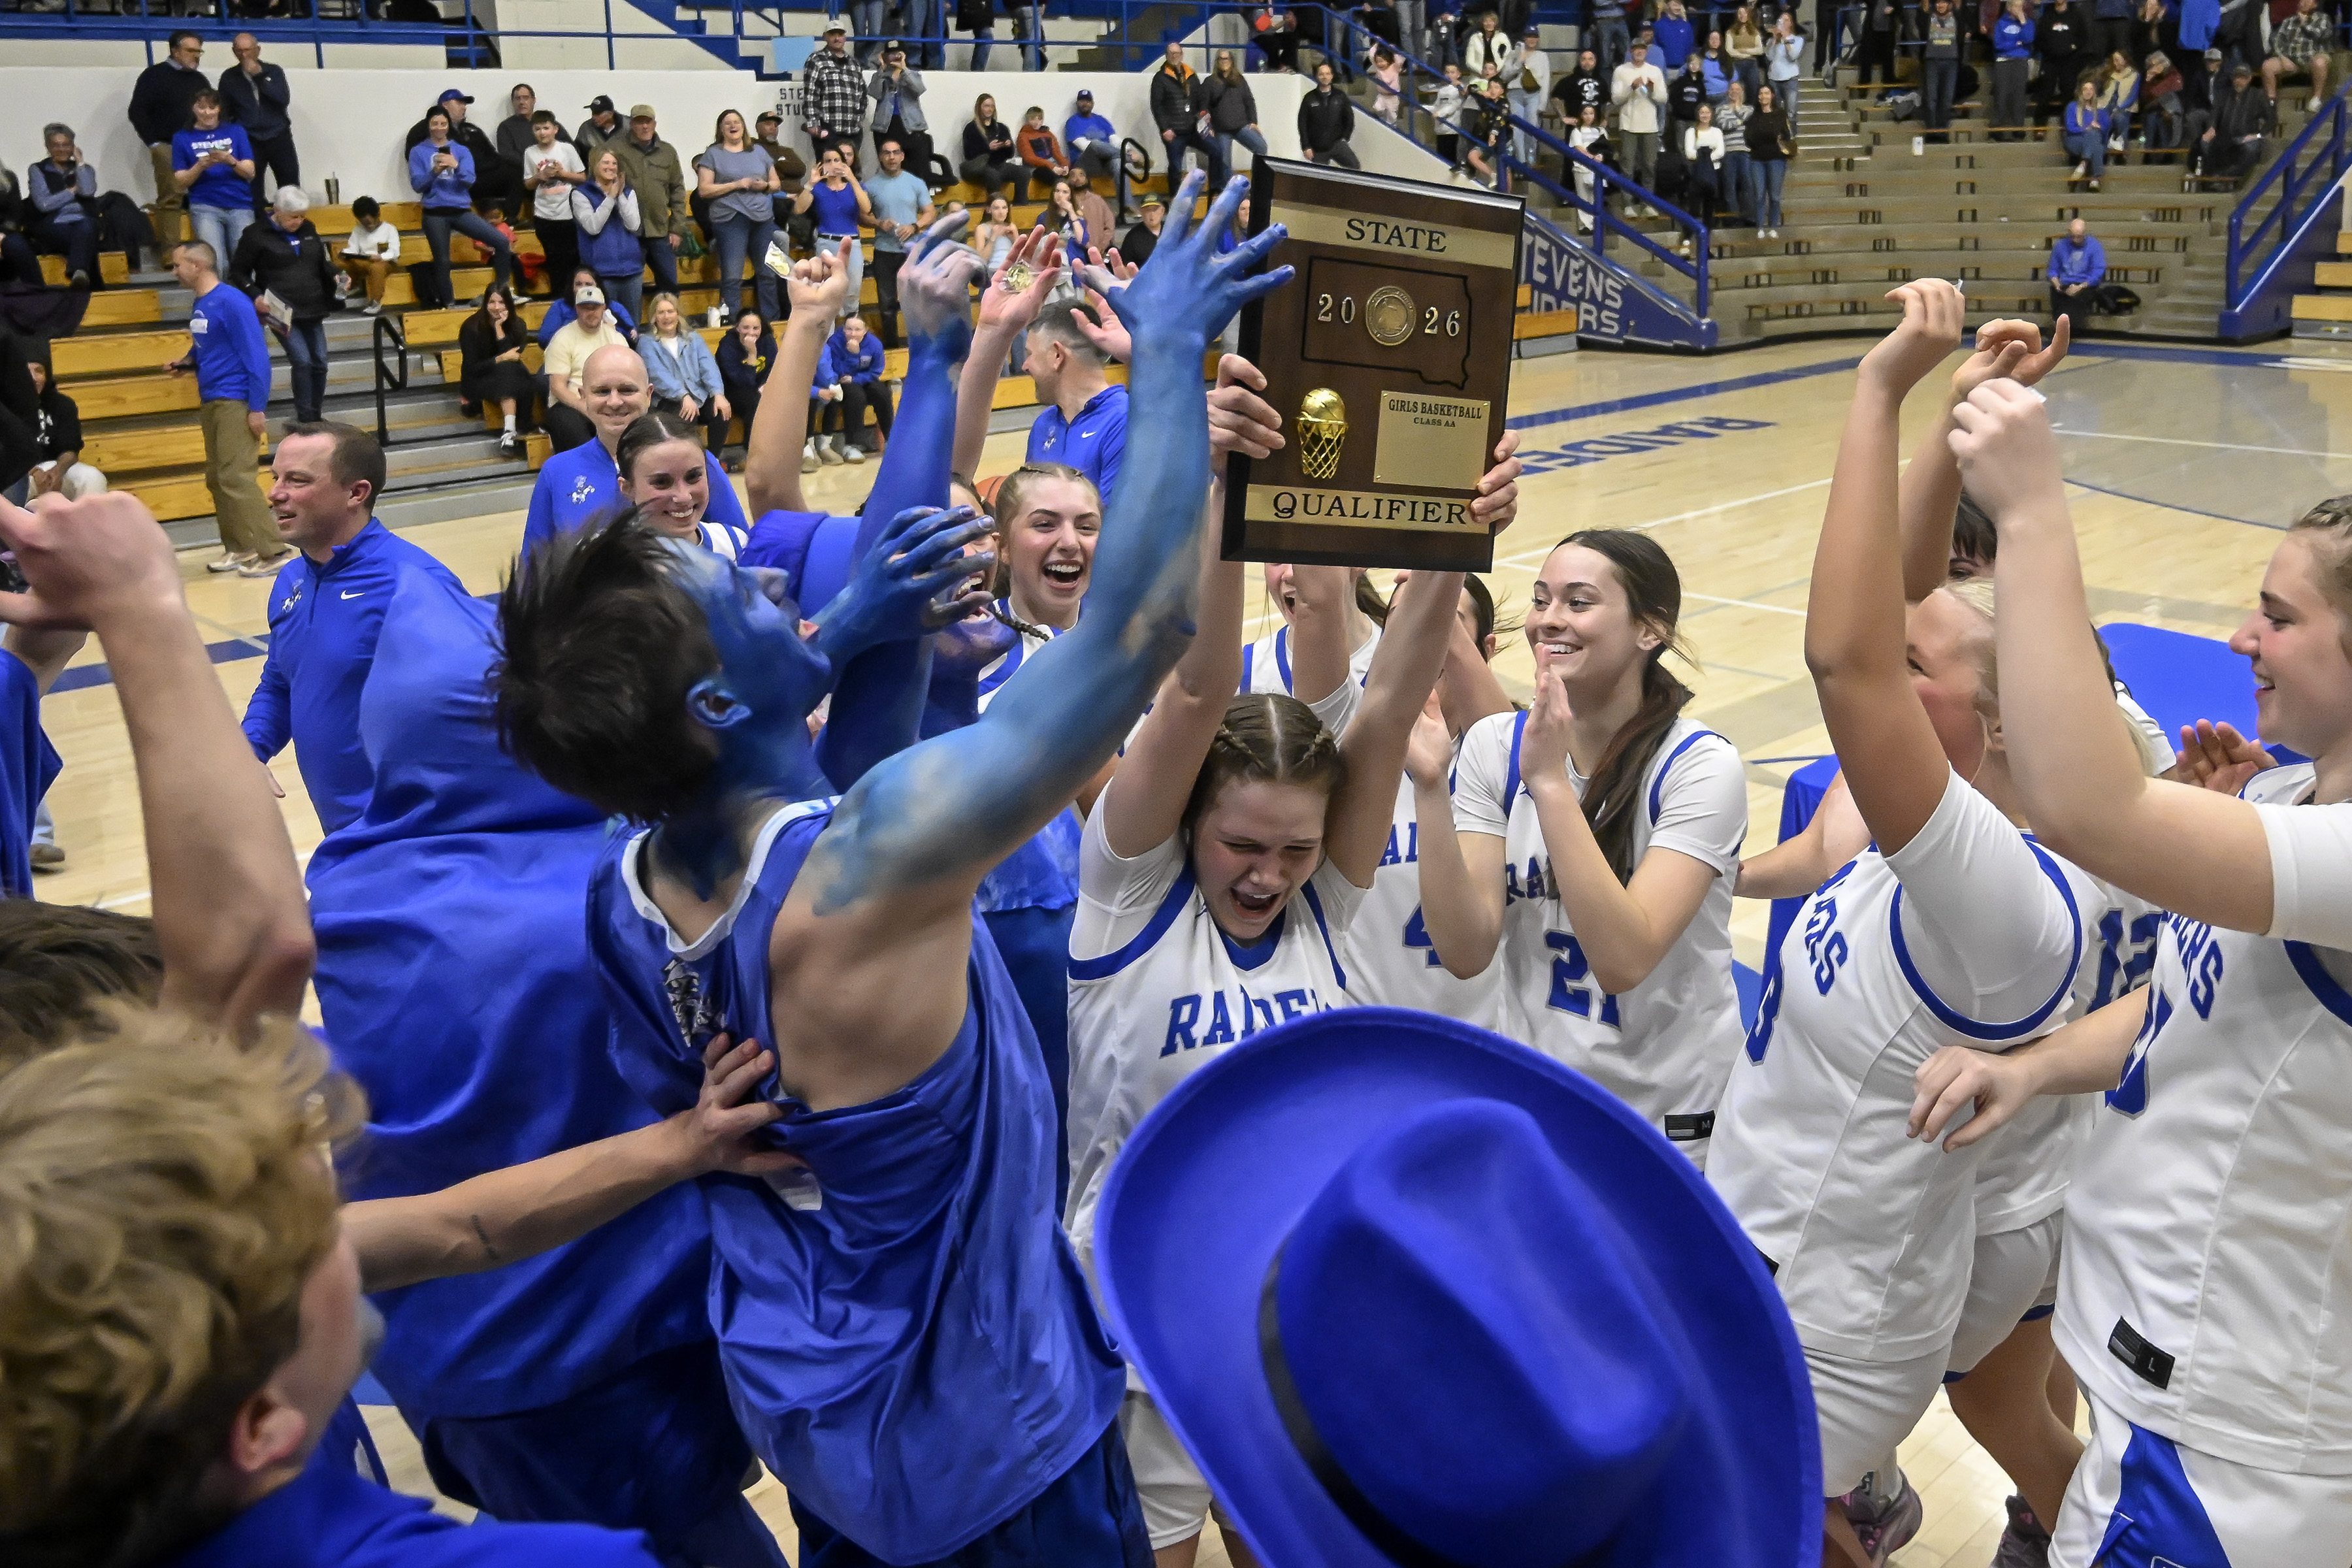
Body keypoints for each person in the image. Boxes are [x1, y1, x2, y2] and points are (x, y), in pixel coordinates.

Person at [491, 185, 1284, 1567]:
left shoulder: (625, 888)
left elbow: (867, 650)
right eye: (751, 604)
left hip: (815, 1396)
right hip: (984, 1440)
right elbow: (1137, 633)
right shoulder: (870, 863)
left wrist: (926, 358)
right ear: (723, 712)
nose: (791, 595)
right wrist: (1165, 357)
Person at [1916, 338, 2352, 1568]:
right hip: (2167, 1397)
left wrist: (2035, 510)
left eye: (2277, 615)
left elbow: (2081, 802)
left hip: (2234, 1452)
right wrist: (2038, 1067)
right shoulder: (2284, 800)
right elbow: (2189, 1000)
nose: (2242, 636)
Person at [1707, 282, 2101, 1568]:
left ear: (1978, 724)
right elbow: (1910, 606)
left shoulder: (1996, 896)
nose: (1899, 635)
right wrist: (1960, 408)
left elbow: (1852, 653)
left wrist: (1879, 390)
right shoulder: (1963, 788)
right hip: (1772, 1250)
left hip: (1839, 1319)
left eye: (1920, 668)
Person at [1064, 519, 1463, 1567]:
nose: (1266, 873)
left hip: (1291, 1331)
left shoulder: (1324, 904)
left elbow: (1387, 702)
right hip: (1140, 1337)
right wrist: (1227, 500)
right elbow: (1196, 695)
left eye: (1293, 848)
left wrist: (1458, 533)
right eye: (1241, 843)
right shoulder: (1132, 898)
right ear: (1189, 822)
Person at [1414, 527, 1746, 1164]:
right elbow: (1464, 950)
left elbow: (1623, 960)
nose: (1548, 621)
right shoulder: (1492, 746)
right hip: (1539, 1102)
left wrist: (1549, 782)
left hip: (1666, 1117)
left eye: (1578, 601)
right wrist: (1430, 786)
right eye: (1542, 600)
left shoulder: (1698, 768)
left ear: (1651, 630)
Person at [240, 421, 463, 836]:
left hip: (418, 833)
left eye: (297, 480)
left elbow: (476, 713)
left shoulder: (414, 584)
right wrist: (247, 751)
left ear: (356, 493)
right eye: (275, 478)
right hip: (343, 832)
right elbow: (282, 683)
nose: (275, 493)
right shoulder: (291, 580)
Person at [525, 340, 749, 549]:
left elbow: (738, 548)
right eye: (602, 391)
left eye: (627, 390)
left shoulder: (697, 463)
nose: (614, 402)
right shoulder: (557, 471)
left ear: (649, 394)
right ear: (583, 397)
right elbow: (533, 569)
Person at [163, 241, 280, 576]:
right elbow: (209, 346)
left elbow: (257, 357)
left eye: (177, 265)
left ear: (197, 266)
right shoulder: (203, 302)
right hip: (212, 397)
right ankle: (240, 548)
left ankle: (274, 550)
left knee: (236, 478)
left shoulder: (231, 301)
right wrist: (186, 363)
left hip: (235, 400)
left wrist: (256, 407)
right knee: (217, 478)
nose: (174, 272)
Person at [229, 186, 336, 428]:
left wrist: (338, 274)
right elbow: (238, 271)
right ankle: (305, 416)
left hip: (312, 305)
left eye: (302, 216)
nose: (299, 221)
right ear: (277, 210)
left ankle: (315, 412)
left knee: (320, 362)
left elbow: (321, 263)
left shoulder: (308, 229)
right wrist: (255, 295)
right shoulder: (255, 234)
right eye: (293, 217)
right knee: (302, 360)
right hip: (280, 310)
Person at [411, 105, 514, 311]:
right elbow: (417, 185)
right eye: (435, 124)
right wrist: (435, 171)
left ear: (449, 126)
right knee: (442, 260)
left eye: (443, 124)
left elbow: (469, 181)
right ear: (428, 125)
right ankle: (448, 304)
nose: (439, 128)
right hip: (434, 212)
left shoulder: (461, 150)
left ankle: (503, 291)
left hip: (460, 210)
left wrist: (455, 166)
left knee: (501, 241)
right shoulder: (418, 151)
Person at [1022, 297, 1128, 495]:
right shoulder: (1043, 424)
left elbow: (1117, 520)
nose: (1025, 366)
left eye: (1030, 354)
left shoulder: (1123, 420)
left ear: (1057, 355)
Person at [613, 408, 751, 557]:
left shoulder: (735, 544)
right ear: (627, 488)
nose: (684, 497)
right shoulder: (603, 563)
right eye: (661, 482)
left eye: (693, 477)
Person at [694, 110, 780, 327]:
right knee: (733, 276)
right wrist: (735, 185)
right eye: (727, 123)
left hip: (762, 218)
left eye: (737, 122)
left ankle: (770, 320)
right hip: (730, 219)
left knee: (768, 272)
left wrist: (766, 187)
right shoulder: (713, 154)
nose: (733, 126)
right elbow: (704, 190)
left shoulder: (759, 151)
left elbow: (776, 184)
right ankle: (732, 322)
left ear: (744, 126)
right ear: (721, 129)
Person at [175, 90, 257, 282]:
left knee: (245, 261)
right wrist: (200, 166)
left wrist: (230, 161)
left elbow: (250, 172)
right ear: (193, 109)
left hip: (240, 204)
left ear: (219, 109)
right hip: (205, 206)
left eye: (212, 107)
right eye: (201, 107)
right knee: (215, 262)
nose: (207, 112)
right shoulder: (182, 137)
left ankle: (247, 305)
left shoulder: (236, 131)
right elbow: (180, 181)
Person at [540, 287, 633, 452]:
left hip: (609, 400)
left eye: (595, 307)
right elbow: (557, 386)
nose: (591, 312)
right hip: (570, 403)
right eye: (585, 307)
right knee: (577, 435)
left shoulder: (617, 338)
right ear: (577, 309)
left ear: (604, 308)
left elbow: (628, 377)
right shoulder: (562, 338)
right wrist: (583, 406)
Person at [864, 134, 936, 348]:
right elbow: (862, 216)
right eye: (887, 153)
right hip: (884, 251)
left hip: (912, 251)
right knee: (886, 306)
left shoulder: (916, 182)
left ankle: (921, 347)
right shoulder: (871, 186)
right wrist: (878, 223)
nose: (892, 157)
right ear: (880, 157)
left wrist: (914, 226)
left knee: (917, 302)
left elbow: (930, 213)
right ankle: (892, 350)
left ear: (902, 156)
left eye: (896, 153)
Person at [129, 29, 210, 212]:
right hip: (168, 146)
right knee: (171, 200)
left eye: (199, 51)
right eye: (191, 51)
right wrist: (155, 144)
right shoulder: (154, 75)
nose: (197, 56)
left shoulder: (199, 80)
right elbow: (137, 111)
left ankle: (202, 241)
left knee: (205, 196)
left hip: (197, 144)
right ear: (175, 51)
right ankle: (171, 243)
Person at [613, 106, 688, 302]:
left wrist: (677, 228)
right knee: (630, 287)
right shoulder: (616, 150)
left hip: (660, 230)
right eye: (639, 122)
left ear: (655, 124)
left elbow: (678, 191)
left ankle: (674, 327)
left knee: (670, 286)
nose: (644, 126)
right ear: (631, 124)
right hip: (628, 232)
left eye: (648, 121)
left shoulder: (668, 152)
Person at [642, 290, 732, 452]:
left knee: (720, 412)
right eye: (661, 313)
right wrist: (683, 395)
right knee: (686, 415)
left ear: (678, 314)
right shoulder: (647, 343)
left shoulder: (693, 338)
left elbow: (708, 366)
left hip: (698, 394)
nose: (666, 317)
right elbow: (657, 375)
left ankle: (713, 460)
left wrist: (718, 394)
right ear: (654, 317)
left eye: (670, 311)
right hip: (667, 400)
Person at [219, 33, 296, 215]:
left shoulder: (274, 71)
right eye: (239, 51)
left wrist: (259, 76)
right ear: (234, 52)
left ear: (258, 50)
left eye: (248, 50)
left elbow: (282, 99)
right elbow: (225, 112)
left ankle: (292, 223)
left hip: (279, 135)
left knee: (290, 184)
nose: (244, 55)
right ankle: (260, 229)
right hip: (249, 138)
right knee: (253, 188)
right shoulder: (229, 77)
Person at [792, 148, 870, 325]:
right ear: (821, 165)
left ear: (844, 163)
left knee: (853, 289)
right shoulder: (818, 188)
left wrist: (852, 179)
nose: (833, 165)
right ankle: (829, 339)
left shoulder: (854, 186)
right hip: (826, 241)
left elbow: (866, 208)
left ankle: (851, 331)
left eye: (836, 160)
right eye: (828, 160)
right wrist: (810, 183)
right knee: (827, 291)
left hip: (852, 242)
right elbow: (799, 209)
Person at [459, 283, 536, 457]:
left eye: (502, 302)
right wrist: (499, 359)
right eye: (492, 302)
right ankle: (513, 430)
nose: (497, 307)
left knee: (514, 372)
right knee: (510, 371)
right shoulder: (471, 327)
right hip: (477, 379)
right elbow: (472, 368)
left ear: (509, 304)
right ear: (485, 304)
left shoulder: (518, 325)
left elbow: (513, 358)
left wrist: (500, 330)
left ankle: (509, 432)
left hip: (506, 379)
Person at [24, 125, 102, 289]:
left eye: (66, 145)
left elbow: (88, 191)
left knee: (87, 226)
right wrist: (72, 191)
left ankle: (79, 273)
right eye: (56, 145)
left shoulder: (84, 169)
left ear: (73, 146)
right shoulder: (38, 170)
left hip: (83, 219)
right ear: (48, 147)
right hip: (54, 222)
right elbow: (44, 204)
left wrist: (80, 162)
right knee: (86, 238)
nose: (61, 149)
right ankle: (85, 277)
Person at [523, 110, 589, 301]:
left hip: (568, 212)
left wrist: (562, 175)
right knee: (553, 259)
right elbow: (527, 183)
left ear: (555, 129)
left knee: (572, 258)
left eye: (546, 128)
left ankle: (577, 296)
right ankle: (558, 299)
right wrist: (539, 177)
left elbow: (583, 178)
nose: (542, 132)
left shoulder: (566, 149)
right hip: (544, 214)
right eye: (538, 129)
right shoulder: (530, 152)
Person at [573, 149, 645, 319]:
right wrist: (610, 198)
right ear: (595, 165)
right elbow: (592, 227)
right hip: (601, 273)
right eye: (606, 162)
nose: (611, 167)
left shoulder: (628, 193)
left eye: (614, 163)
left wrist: (619, 195)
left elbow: (634, 225)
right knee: (606, 325)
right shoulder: (581, 194)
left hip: (632, 270)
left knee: (632, 325)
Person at [22, 356, 101, 500]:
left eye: (39, 371)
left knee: (92, 477)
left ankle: (89, 523)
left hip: (52, 468)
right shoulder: (5, 406)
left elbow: (70, 450)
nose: (33, 378)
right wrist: (33, 472)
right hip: (17, 473)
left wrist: (59, 470)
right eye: (26, 372)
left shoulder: (63, 404)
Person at [819, 312, 889, 461]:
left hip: (862, 379)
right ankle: (851, 445)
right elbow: (837, 370)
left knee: (882, 392)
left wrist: (857, 378)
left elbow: (877, 370)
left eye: (857, 330)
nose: (852, 334)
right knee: (856, 396)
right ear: (843, 329)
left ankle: (890, 439)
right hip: (843, 382)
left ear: (865, 330)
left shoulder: (874, 344)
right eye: (849, 329)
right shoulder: (835, 342)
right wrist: (852, 356)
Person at [868, 42, 936, 186]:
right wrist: (881, 69)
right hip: (886, 128)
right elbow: (874, 92)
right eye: (891, 54)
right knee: (889, 169)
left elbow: (919, 89)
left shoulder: (912, 74)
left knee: (917, 170)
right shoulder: (880, 75)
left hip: (911, 127)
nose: (894, 57)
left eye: (898, 53)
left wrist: (904, 68)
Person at [2193, 60, 2275, 178]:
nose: (2239, 81)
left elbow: (2272, 119)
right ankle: (2212, 174)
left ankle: (2228, 176)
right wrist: (2211, 128)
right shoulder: (2223, 95)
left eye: (2243, 78)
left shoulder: (2258, 95)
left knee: (2250, 148)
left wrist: (2258, 135)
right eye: (2237, 78)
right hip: (2225, 137)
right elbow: (2214, 114)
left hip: (2247, 137)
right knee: (2205, 141)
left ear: (2249, 79)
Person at [715, 308, 775, 466]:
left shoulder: (768, 340)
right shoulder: (727, 346)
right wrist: (752, 354)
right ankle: (752, 454)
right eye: (746, 328)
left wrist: (766, 385)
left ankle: (799, 450)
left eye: (756, 328)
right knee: (753, 401)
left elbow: (774, 368)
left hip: (759, 388)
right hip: (733, 392)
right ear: (737, 328)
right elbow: (743, 382)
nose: (751, 332)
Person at [1152, 42, 1217, 186]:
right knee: (1175, 166)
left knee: (1217, 150)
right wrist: (1165, 128)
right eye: (1171, 53)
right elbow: (1157, 106)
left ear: (1182, 54)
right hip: (1174, 132)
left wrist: (1206, 125)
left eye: (1177, 53)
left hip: (1194, 129)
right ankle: (1175, 198)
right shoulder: (1160, 78)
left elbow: (1201, 101)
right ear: (1167, 56)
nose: (1175, 56)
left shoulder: (1192, 76)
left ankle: (1215, 190)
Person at [804, 24, 870, 165]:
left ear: (845, 37)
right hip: (829, 129)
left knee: (852, 173)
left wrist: (859, 118)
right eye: (833, 34)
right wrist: (813, 123)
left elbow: (863, 93)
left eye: (840, 34)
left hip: (853, 130)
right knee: (827, 172)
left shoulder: (854, 63)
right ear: (825, 37)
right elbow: (810, 94)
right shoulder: (816, 60)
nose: (837, 38)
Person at [1614, 40, 1669, 201]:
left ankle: (1648, 202)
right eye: (1636, 49)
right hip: (1628, 125)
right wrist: (1631, 87)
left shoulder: (1655, 71)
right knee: (1627, 167)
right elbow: (1616, 99)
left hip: (1650, 126)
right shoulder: (1621, 71)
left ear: (1646, 52)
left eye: (1642, 49)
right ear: (1631, 51)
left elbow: (1663, 99)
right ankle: (1627, 203)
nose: (1639, 52)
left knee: (1650, 166)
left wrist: (1652, 90)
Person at [540, 265, 639, 347]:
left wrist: (609, 327)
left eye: (589, 284)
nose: (584, 289)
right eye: (579, 284)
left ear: (598, 287)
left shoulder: (614, 307)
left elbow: (631, 336)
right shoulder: (560, 306)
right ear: (572, 287)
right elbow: (544, 339)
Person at [1066, 89, 1126, 216]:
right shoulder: (1072, 122)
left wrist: (1129, 149)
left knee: (1117, 162)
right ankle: (1130, 158)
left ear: (1092, 103)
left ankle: (1126, 205)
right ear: (1077, 103)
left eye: (1088, 101)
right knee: (1095, 144)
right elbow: (1083, 145)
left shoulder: (1101, 120)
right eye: (1082, 101)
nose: (1085, 104)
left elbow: (1114, 139)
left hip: (1104, 163)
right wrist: (1126, 154)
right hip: (1084, 164)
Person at [336, 195, 399, 317]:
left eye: (370, 223)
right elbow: (353, 249)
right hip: (364, 260)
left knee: (377, 268)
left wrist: (381, 257)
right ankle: (347, 287)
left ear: (378, 215)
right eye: (364, 224)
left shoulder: (389, 229)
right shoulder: (357, 230)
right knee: (340, 263)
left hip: (384, 262)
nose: (368, 226)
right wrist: (344, 252)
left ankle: (375, 302)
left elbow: (394, 252)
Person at [2266, 0, 2336, 107]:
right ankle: (2271, 101)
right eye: (2302, 0)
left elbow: (2321, 35)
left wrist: (2304, 24)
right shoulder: (2289, 21)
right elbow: (2277, 42)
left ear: (2315, 4)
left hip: (2314, 57)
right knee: (2268, 66)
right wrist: (2282, 57)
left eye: (2308, 1)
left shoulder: (2323, 18)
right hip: (2292, 60)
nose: (2304, 3)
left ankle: (2316, 98)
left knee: (2320, 62)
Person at [1299, 59, 1364, 169]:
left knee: (1355, 167)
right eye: (1321, 74)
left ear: (1332, 76)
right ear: (1317, 76)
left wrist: (1345, 137)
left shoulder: (1340, 96)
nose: (1325, 77)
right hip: (1317, 148)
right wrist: (1306, 146)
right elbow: (1302, 123)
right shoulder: (1309, 98)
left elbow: (1349, 118)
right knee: (1320, 179)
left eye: (1328, 74)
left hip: (1337, 144)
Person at [2049, 214, 2106, 333]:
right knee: (2059, 297)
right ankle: (2061, 326)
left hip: (2085, 284)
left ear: (2085, 234)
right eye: (2073, 236)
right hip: (2064, 283)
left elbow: (2097, 272)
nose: (2075, 240)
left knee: (2077, 300)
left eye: (2079, 237)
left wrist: (2080, 286)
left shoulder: (2095, 247)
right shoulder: (2060, 246)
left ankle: (2065, 328)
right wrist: (2057, 285)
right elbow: (2053, 270)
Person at [2039, 0, 2091, 120]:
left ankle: (2067, 124)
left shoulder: (2076, 15)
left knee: (2068, 94)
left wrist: (2073, 48)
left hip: (2070, 61)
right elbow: (2040, 39)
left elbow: (2083, 37)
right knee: (2045, 93)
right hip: (2050, 61)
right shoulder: (2047, 16)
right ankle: (2040, 126)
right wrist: (2050, 50)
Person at [960, 94, 1019, 198]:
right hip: (979, 166)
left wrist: (1008, 145)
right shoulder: (971, 128)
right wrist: (988, 148)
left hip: (998, 164)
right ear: (979, 108)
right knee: (993, 175)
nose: (990, 109)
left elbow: (1010, 155)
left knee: (1023, 173)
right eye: (986, 106)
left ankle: (1021, 206)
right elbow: (969, 154)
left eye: (992, 106)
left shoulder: (1001, 127)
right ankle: (994, 206)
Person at [1992, 0, 2037, 137]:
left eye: (2021, 7)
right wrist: (2017, 43)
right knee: (2002, 93)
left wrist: (2023, 22)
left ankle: (2018, 127)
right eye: (2017, 6)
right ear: (2009, 8)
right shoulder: (2001, 23)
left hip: (2021, 61)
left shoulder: (2029, 23)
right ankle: (1998, 128)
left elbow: (2028, 39)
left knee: (2019, 95)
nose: (2019, 9)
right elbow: (1998, 44)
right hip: (2003, 61)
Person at [494, 83, 556, 179]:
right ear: (513, 102)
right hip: (521, 175)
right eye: (518, 98)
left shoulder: (547, 122)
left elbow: (567, 144)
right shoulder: (506, 127)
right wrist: (535, 164)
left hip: (554, 171)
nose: (522, 102)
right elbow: (507, 154)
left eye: (526, 98)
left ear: (534, 100)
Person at [1921, 0, 1963, 133]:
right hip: (1932, 61)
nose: (1941, 5)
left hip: (1951, 62)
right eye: (1938, 2)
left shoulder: (1956, 16)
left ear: (1949, 4)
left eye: (1944, 2)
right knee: (1931, 97)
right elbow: (1924, 8)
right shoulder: (1929, 17)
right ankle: (1931, 130)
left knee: (1947, 98)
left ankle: (1943, 131)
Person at [1017, 105, 1072, 204]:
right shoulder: (1023, 136)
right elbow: (1030, 158)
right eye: (1033, 119)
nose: (1037, 122)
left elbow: (1057, 153)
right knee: (1054, 178)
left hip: (1052, 164)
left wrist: (1065, 166)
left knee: (1076, 173)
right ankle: (1063, 203)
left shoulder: (1048, 134)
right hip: (1035, 168)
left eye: (1039, 119)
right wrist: (1052, 167)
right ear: (1028, 120)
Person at [2065, 80, 2114, 186]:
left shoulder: (2100, 109)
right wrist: (2086, 128)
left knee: (2096, 137)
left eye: (2091, 89)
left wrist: (2099, 127)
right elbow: (2070, 127)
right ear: (2080, 92)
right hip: (2076, 140)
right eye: (2085, 89)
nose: (2088, 92)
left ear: (2095, 92)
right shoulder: (2072, 106)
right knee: (2095, 139)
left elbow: (2107, 127)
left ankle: (2083, 165)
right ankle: (2095, 179)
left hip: (2094, 141)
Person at [577, 92, 627, 165]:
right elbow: (579, 155)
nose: (594, 117)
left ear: (611, 114)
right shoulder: (586, 129)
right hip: (596, 174)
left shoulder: (629, 125)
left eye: (598, 114)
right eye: (593, 113)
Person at [1119, 191, 1166, 265]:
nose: (1152, 214)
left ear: (1163, 211)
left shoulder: (1172, 231)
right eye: (1148, 210)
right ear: (1141, 212)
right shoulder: (1133, 237)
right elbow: (1125, 265)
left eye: (1155, 209)